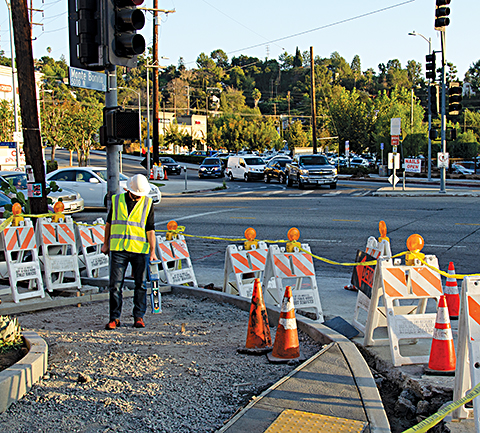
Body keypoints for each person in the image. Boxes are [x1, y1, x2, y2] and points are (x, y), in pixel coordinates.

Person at [101, 174, 158, 330]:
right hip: (118, 248)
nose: (139, 197)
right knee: (115, 285)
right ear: (129, 190)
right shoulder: (117, 200)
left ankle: (138, 316)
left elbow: (150, 229)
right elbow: (109, 224)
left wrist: (152, 251)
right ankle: (114, 318)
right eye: (136, 194)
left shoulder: (147, 203)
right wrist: (105, 244)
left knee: (141, 285)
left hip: (139, 250)